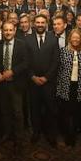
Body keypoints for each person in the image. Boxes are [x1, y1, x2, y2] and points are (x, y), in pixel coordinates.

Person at [25, 15, 59, 147]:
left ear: (46, 24)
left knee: (51, 109)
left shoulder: (53, 38)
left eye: (42, 22)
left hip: (48, 82)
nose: (40, 24)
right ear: (33, 24)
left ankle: (51, 134)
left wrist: (46, 77)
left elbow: (56, 61)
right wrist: (33, 77)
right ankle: (36, 132)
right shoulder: (27, 39)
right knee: (35, 109)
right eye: (37, 22)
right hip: (32, 82)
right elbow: (25, 61)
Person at [0, 21, 28, 152]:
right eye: (5, 30)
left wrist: (12, 71)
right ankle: (7, 134)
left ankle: (19, 139)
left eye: (10, 30)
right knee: (4, 111)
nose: (8, 32)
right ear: (2, 31)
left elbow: (26, 63)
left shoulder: (22, 45)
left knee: (17, 112)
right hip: (2, 84)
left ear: (14, 31)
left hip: (16, 84)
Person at [56, 29, 81, 147]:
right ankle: (67, 134)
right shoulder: (63, 51)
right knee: (66, 112)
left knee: (76, 112)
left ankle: (73, 135)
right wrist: (58, 88)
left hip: (79, 86)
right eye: (73, 37)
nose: (75, 39)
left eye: (78, 38)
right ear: (70, 39)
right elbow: (59, 71)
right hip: (66, 86)